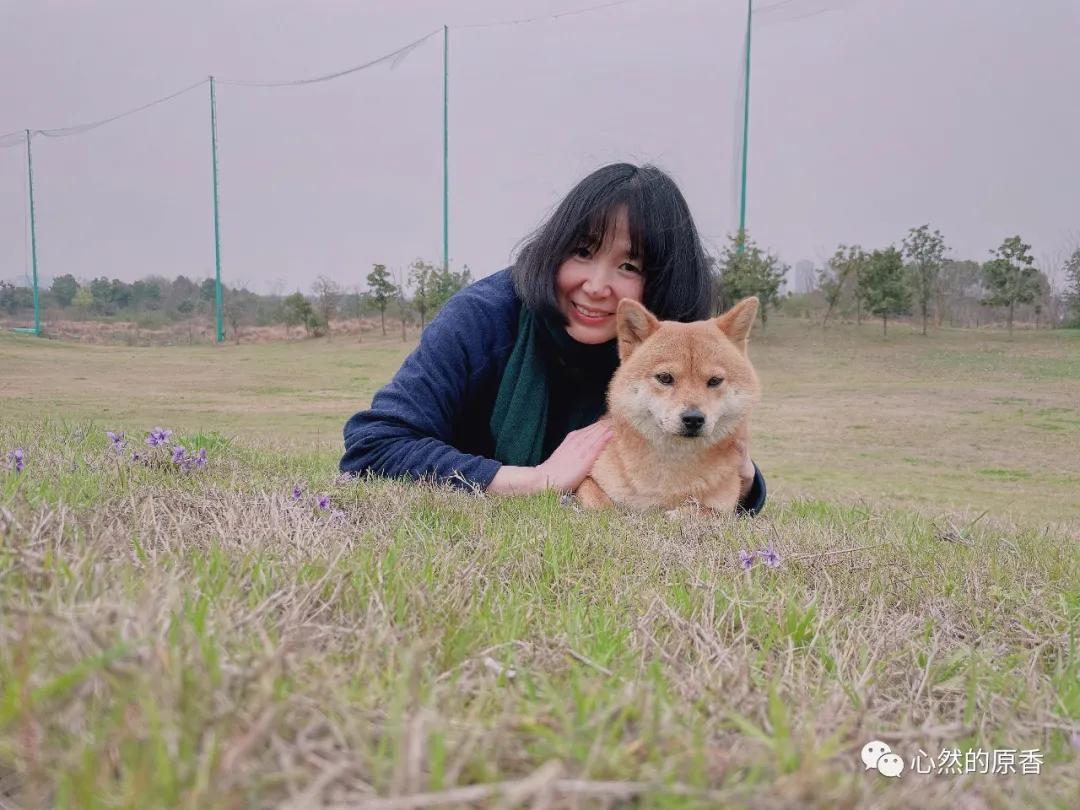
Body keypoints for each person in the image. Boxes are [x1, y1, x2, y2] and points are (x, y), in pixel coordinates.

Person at [340, 163, 766, 514]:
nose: (597, 286)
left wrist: (745, 481)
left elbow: (701, 454)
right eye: (582, 252)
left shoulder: (671, 346)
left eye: (630, 267)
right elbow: (373, 447)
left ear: (663, 283)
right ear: (554, 247)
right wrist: (536, 480)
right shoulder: (481, 320)